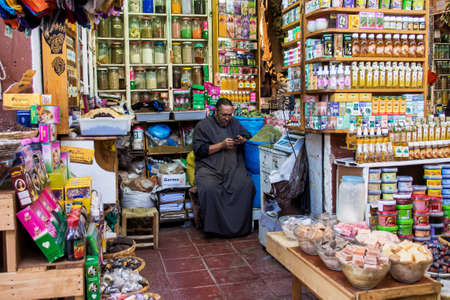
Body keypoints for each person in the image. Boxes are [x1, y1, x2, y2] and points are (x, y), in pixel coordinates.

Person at [193, 98, 254, 237]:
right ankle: (214, 230)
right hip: (209, 168)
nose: (227, 118)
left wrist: (242, 139)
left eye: (229, 115)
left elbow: (246, 134)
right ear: (216, 112)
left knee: (246, 185)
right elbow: (200, 150)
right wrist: (221, 145)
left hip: (232, 166)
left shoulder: (234, 122)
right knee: (209, 188)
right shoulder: (203, 126)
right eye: (224, 115)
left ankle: (240, 229)